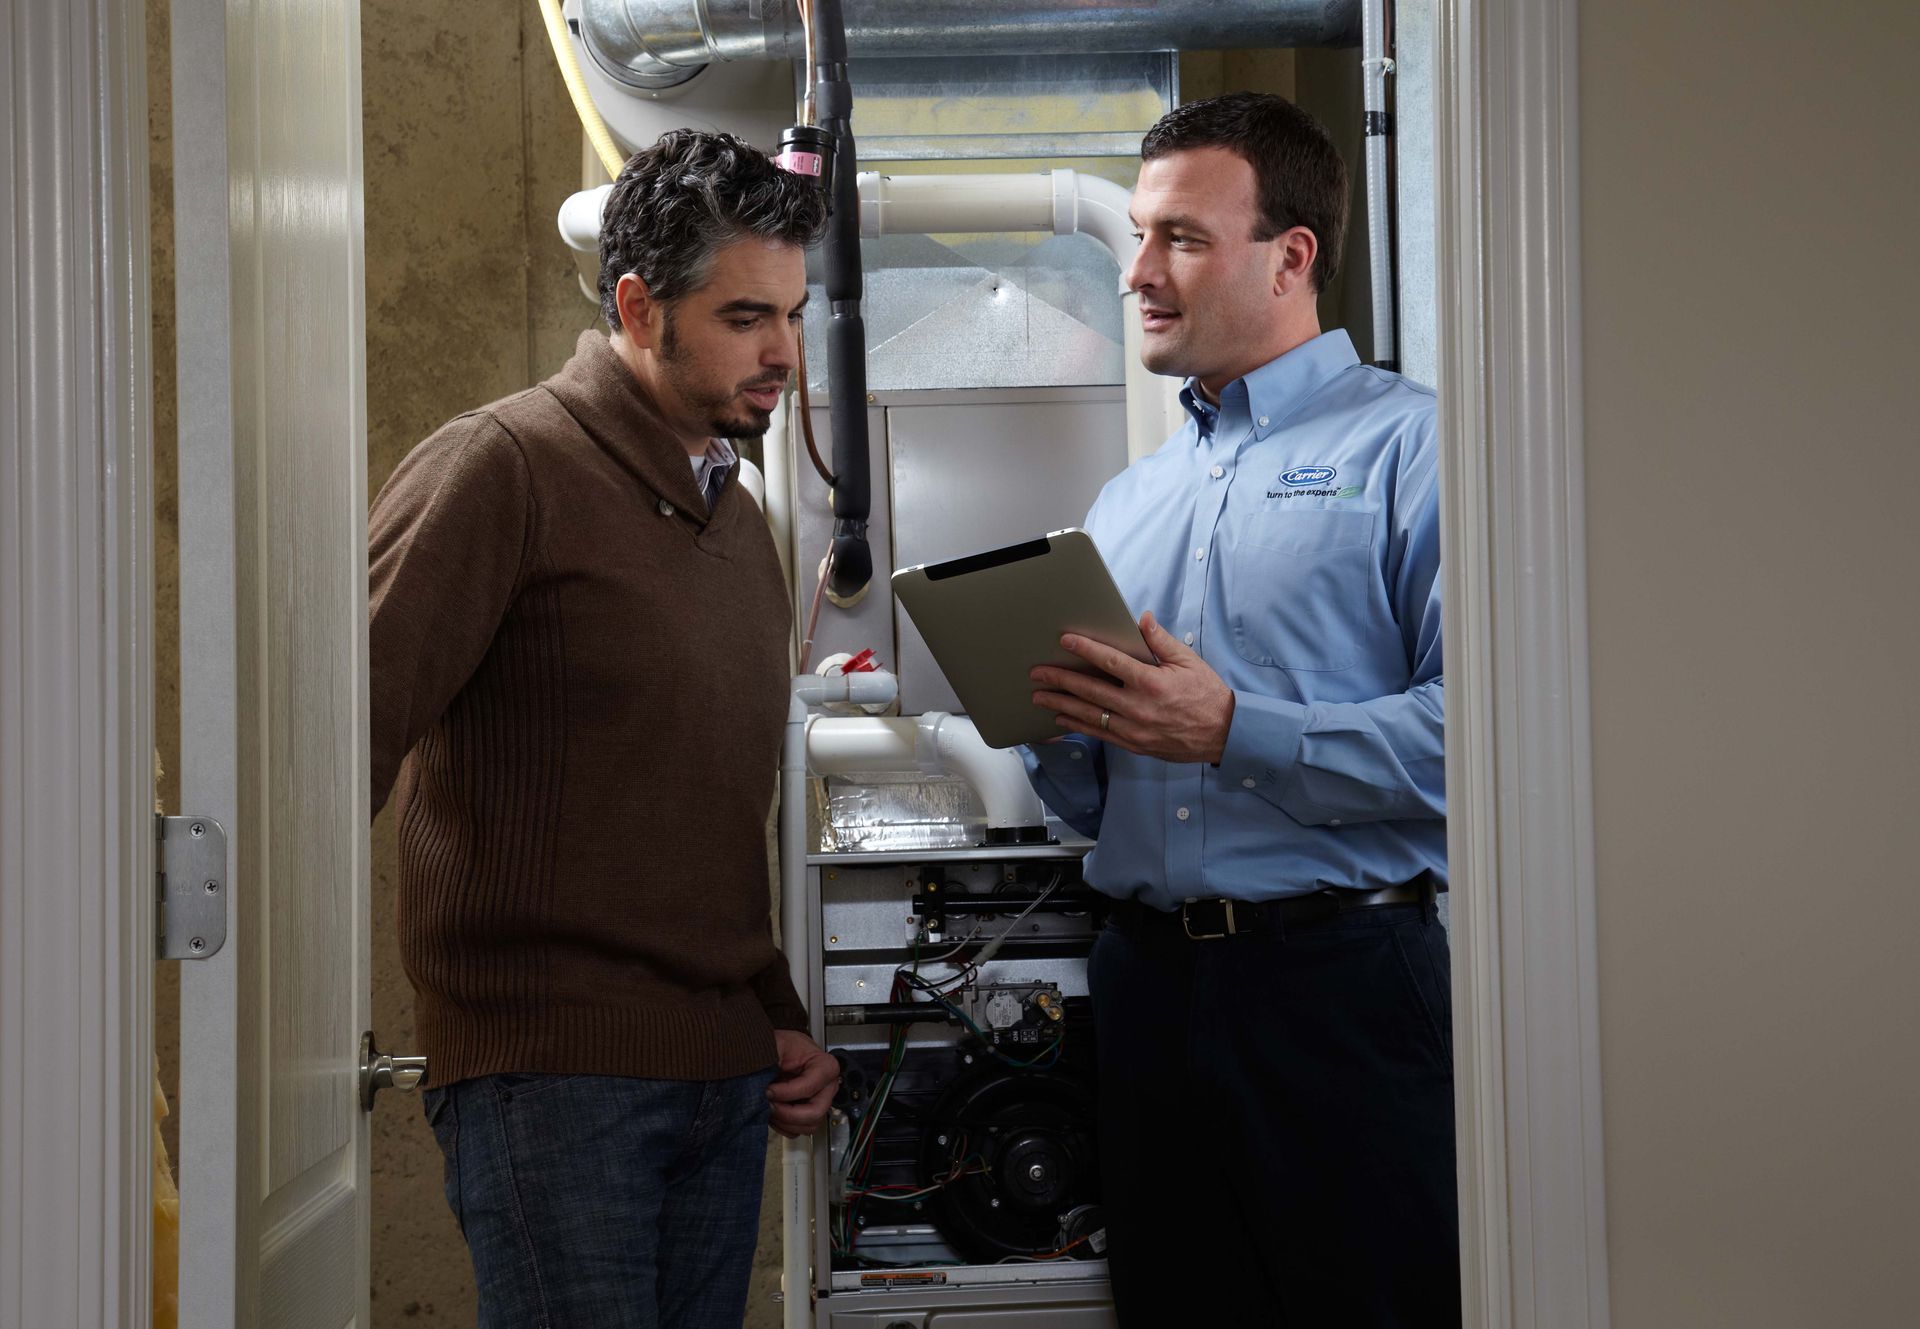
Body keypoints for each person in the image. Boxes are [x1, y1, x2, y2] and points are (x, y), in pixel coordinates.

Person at [367, 129, 839, 1329]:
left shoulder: (738, 523)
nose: (784, 353)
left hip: (723, 1075)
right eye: (745, 317)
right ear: (638, 307)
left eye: (792, 315)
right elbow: (330, 749)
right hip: (554, 1081)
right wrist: (276, 1054)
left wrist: (775, 1017)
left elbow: (707, 811)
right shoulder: (501, 466)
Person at [1024, 93, 1458, 1325]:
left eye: (1182, 239)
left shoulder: (1419, 452)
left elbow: (1486, 742)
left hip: (1344, 991)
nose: (1138, 274)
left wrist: (1233, 730)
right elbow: (1096, 797)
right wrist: (1057, 728)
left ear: (1290, 255)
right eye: (1139, 237)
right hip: (1146, 992)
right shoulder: (1128, 505)